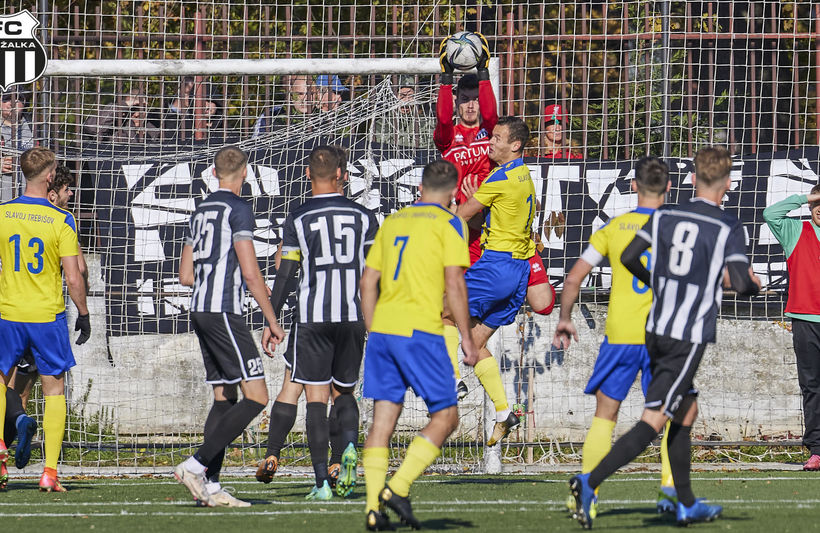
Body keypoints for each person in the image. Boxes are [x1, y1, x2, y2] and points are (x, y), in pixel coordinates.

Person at [569, 146, 761, 528]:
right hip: (686, 335)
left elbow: (628, 257)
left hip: (655, 328)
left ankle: (685, 501)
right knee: (654, 419)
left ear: (692, 179)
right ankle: (589, 481)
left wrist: (658, 282)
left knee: (686, 409)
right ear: (726, 184)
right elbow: (739, 282)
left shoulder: (667, 215)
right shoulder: (727, 226)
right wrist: (754, 284)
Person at [553, 157, 676, 518]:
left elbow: (574, 277)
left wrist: (564, 318)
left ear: (633, 186)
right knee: (668, 414)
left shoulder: (614, 227)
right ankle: (669, 493)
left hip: (621, 335)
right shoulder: (678, 229)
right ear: (669, 187)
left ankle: (585, 495)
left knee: (605, 415)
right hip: (665, 337)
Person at [360, 159, 477, 531]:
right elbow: (455, 285)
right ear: (454, 192)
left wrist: (374, 330)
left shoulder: (393, 221)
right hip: (420, 333)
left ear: (420, 188)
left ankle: (372, 511)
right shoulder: (451, 223)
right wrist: (469, 340)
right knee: (446, 416)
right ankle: (398, 486)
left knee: (382, 422)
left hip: (383, 331)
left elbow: (367, 283)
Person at [257, 146, 378, 500]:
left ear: (308, 175)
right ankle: (350, 448)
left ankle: (322, 483)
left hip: (314, 318)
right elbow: (375, 273)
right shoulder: (365, 217)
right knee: (345, 393)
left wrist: (271, 318)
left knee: (314, 398)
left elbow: (286, 273)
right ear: (342, 174)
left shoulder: (299, 218)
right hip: (353, 316)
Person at [174, 145, 286, 508]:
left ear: (213, 173)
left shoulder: (200, 210)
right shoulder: (238, 209)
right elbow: (252, 274)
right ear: (245, 174)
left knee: (225, 397)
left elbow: (186, 275)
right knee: (258, 397)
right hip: (223, 311)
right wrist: (271, 319)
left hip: (200, 310)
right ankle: (195, 465)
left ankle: (212, 484)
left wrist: (223, 275)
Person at [0, 147, 90, 492]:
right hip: (45, 315)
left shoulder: (4, 212)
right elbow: (74, 276)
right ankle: (49, 472)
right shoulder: (61, 219)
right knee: (55, 390)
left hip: (8, 312)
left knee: (2, 381)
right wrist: (83, 313)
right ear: (50, 176)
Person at [453, 116, 535, 446]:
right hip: (519, 273)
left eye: (499, 138)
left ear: (515, 145)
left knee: (442, 312)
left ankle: (452, 381)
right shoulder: (524, 175)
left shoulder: (500, 177)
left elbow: (461, 215)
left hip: (496, 266)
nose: (492, 141)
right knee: (473, 343)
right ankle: (504, 412)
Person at [763, 183, 820, 471]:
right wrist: (806, 197)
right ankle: (818, 450)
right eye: (817, 202)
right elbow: (770, 213)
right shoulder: (796, 231)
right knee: (812, 386)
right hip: (806, 320)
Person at [373, 77, 435, 149]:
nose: (406, 101)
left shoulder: (427, 123)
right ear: (394, 97)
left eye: (411, 96)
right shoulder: (380, 125)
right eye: (402, 96)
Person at [83, 89, 160, 143]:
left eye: (141, 109)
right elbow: (91, 128)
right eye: (132, 109)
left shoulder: (154, 130)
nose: (136, 114)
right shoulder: (116, 131)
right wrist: (124, 105)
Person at [1, 92, 35, 202]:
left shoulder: (35, 127)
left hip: (29, 202)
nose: (11, 103)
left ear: (24, 102)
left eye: (17, 99)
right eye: (6, 99)